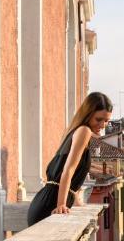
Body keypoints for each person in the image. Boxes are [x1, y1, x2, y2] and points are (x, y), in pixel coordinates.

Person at [26, 91, 113, 226]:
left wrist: (75, 200)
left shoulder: (76, 131)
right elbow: (68, 169)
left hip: (45, 201)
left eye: (106, 121)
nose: (102, 125)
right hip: (50, 205)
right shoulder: (84, 131)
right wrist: (61, 204)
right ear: (88, 114)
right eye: (98, 119)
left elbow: (73, 172)